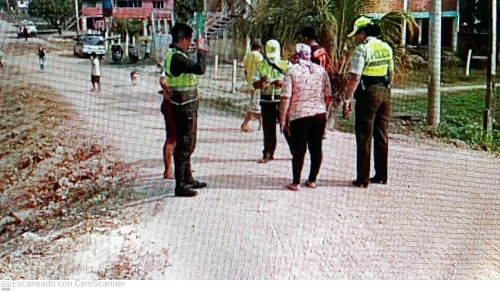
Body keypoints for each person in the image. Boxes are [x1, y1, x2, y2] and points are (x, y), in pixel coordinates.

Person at [343, 16, 394, 188]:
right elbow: (391, 71)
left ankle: (362, 178)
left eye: (357, 34)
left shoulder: (361, 49)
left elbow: (355, 77)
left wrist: (347, 99)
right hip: (384, 91)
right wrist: (388, 89)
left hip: (368, 93)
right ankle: (381, 175)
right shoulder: (386, 47)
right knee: (381, 134)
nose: (357, 38)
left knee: (364, 135)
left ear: (364, 33)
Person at [161, 23, 207, 197]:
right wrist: (202, 52)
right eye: (189, 40)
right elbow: (200, 69)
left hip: (187, 105)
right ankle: (180, 185)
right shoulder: (177, 58)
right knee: (184, 144)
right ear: (182, 39)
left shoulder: (177, 55)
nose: (190, 44)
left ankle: (187, 177)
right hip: (183, 107)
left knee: (189, 143)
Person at [280, 44, 332, 191]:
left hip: (299, 116)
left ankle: (296, 182)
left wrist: (283, 118)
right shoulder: (321, 71)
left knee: (299, 150)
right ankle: (312, 179)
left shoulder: (292, 70)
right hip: (319, 115)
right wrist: (323, 110)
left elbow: (286, 97)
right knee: (316, 149)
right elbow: (328, 95)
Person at [253, 39, 293, 163]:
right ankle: (268, 153)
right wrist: (263, 82)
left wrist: (282, 84)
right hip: (266, 100)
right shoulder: (261, 65)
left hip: (282, 100)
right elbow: (255, 84)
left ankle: (296, 151)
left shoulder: (286, 64)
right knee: (268, 129)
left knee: (287, 127)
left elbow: (293, 81)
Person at [240, 39, 264, 132]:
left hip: (250, 83)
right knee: (254, 104)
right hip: (257, 82)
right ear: (260, 47)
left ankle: (261, 124)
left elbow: (246, 71)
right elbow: (262, 70)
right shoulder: (259, 57)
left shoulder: (247, 56)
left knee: (256, 103)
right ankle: (245, 124)